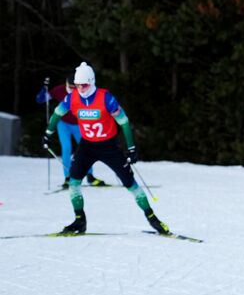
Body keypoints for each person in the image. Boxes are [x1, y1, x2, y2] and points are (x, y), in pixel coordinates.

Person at [42, 62, 170, 235]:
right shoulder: (73, 98)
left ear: (92, 82)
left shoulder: (105, 98)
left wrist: (131, 148)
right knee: (74, 182)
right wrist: (48, 133)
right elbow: (57, 114)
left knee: (130, 184)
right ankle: (80, 220)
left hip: (108, 147)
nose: (81, 89)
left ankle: (153, 218)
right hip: (86, 146)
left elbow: (123, 122)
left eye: (84, 85)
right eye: (78, 86)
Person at [36, 76, 106, 188]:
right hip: (63, 124)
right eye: (70, 87)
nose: (72, 90)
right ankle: (68, 178)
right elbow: (40, 100)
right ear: (66, 84)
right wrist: (44, 90)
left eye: (75, 87)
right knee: (66, 148)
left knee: (87, 148)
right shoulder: (59, 90)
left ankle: (90, 176)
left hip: (79, 124)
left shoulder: (83, 92)